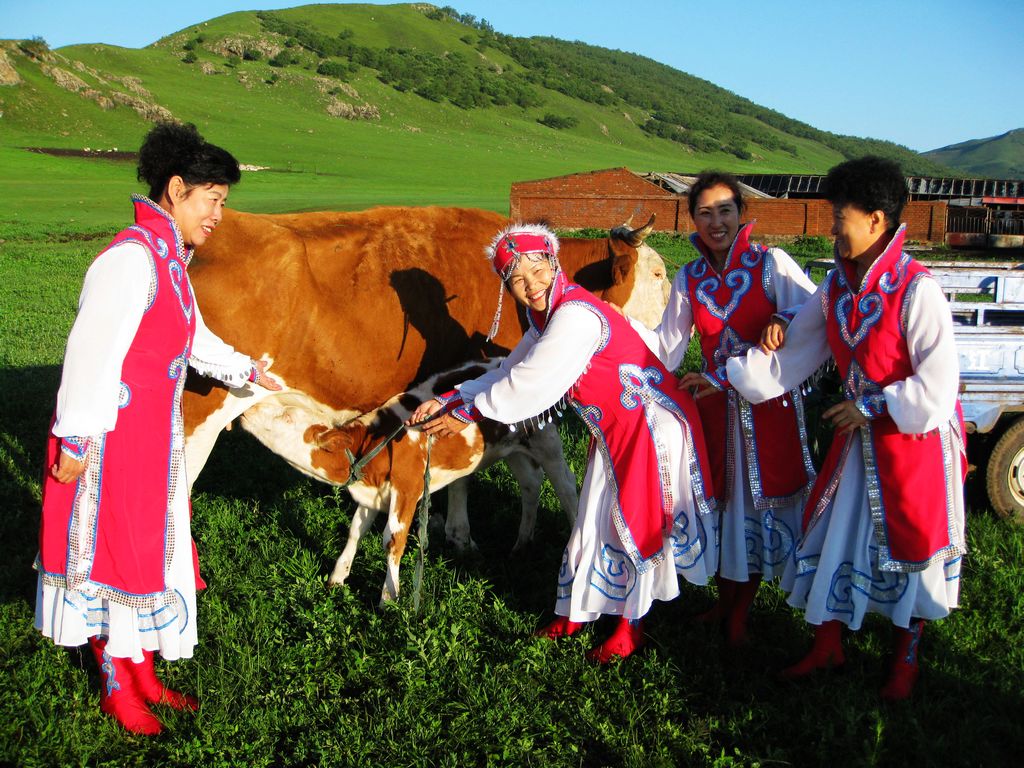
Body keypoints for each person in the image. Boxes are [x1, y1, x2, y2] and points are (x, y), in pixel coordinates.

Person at [34, 122, 282, 734]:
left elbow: (191, 337)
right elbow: (89, 355)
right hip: (112, 442)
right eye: (214, 198)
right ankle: (116, 682)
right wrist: (76, 439)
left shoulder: (170, 263)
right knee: (112, 553)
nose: (221, 213)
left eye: (224, 200)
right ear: (176, 188)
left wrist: (243, 369)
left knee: (149, 551)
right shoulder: (129, 260)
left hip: (153, 441)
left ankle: (142, 668)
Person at [409, 223, 719, 663]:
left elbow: (530, 383)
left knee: (631, 521)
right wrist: (453, 397)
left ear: (554, 264)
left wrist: (466, 411)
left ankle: (632, 624)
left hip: (646, 427)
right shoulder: (547, 318)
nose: (530, 285)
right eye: (516, 279)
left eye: (537, 270)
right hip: (614, 429)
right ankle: (579, 608)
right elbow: (507, 371)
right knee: (593, 519)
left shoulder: (574, 316)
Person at [726, 156, 966, 700]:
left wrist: (875, 407)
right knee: (831, 533)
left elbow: (938, 386)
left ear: (877, 221)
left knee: (912, 548)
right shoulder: (837, 285)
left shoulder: (917, 291)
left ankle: (904, 661)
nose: (834, 226)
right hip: (855, 438)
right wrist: (741, 367)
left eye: (842, 216)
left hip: (911, 441)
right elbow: (803, 338)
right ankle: (827, 644)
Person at [630, 171, 817, 647]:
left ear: (742, 214)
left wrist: (782, 315)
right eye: (705, 212)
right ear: (692, 218)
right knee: (726, 507)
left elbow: (816, 313)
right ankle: (724, 603)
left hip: (768, 408)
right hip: (715, 411)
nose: (716, 222)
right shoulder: (690, 276)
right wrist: (620, 352)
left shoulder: (772, 264)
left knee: (755, 509)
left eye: (726, 210)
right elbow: (668, 346)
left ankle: (740, 612)